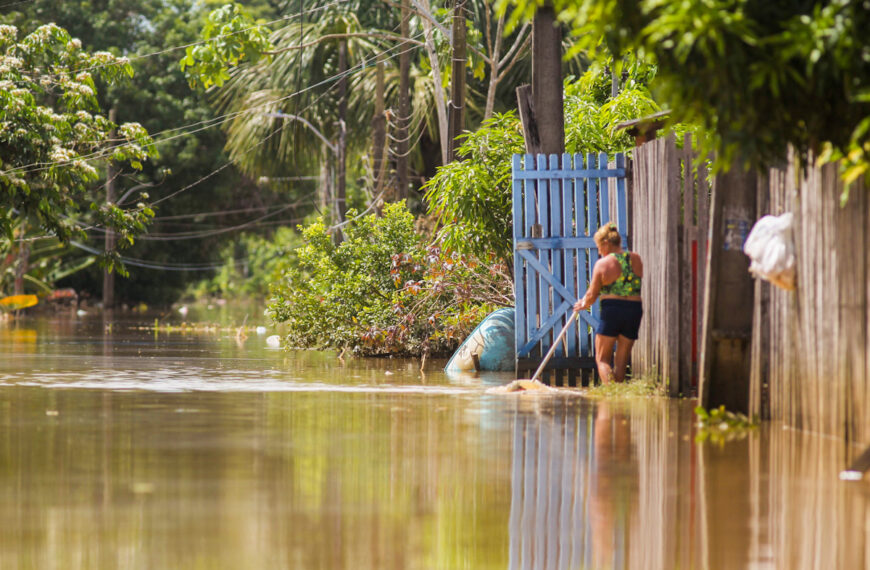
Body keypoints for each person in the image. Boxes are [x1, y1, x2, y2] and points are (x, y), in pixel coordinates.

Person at [574, 222, 643, 384]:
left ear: (606, 243)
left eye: (599, 246)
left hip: (613, 309)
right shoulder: (636, 259)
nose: (598, 250)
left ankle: (611, 392)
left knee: (602, 358)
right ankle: (618, 392)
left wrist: (583, 303)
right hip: (634, 309)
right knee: (621, 358)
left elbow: (592, 294)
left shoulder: (602, 264)